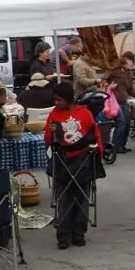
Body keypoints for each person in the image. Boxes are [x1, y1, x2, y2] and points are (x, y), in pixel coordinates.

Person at [44, 83, 104, 249]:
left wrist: (98, 152)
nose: (56, 103)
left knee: (81, 198)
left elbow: (95, 136)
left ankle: (78, 234)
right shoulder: (53, 115)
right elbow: (48, 140)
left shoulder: (84, 114)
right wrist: (50, 131)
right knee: (64, 199)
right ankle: (63, 235)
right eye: (54, 99)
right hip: (63, 161)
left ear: (68, 99)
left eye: (59, 100)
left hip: (83, 161)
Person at [106, 52, 135, 154]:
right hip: (116, 101)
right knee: (122, 122)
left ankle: (121, 145)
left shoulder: (128, 73)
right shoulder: (116, 72)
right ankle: (114, 146)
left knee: (127, 122)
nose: (133, 64)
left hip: (124, 101)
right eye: (132, 62)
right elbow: (114, 86)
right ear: (127, 60)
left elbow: (130, 89)